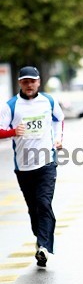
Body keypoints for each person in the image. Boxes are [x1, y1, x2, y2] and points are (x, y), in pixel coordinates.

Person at [0, 66, 64, 267]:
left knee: (44, 203)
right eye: (25, 81)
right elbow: (0, 130)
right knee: (33, 207)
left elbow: (59, 119)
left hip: (46, 162)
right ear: (20, 83)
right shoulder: (11, 106)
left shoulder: (49, 101)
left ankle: (44, 247)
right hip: (24, 166)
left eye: (33, 81)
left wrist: (58, 139)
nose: (29, 85)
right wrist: (12, 132)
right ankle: (40, 239)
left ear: (38, 82)